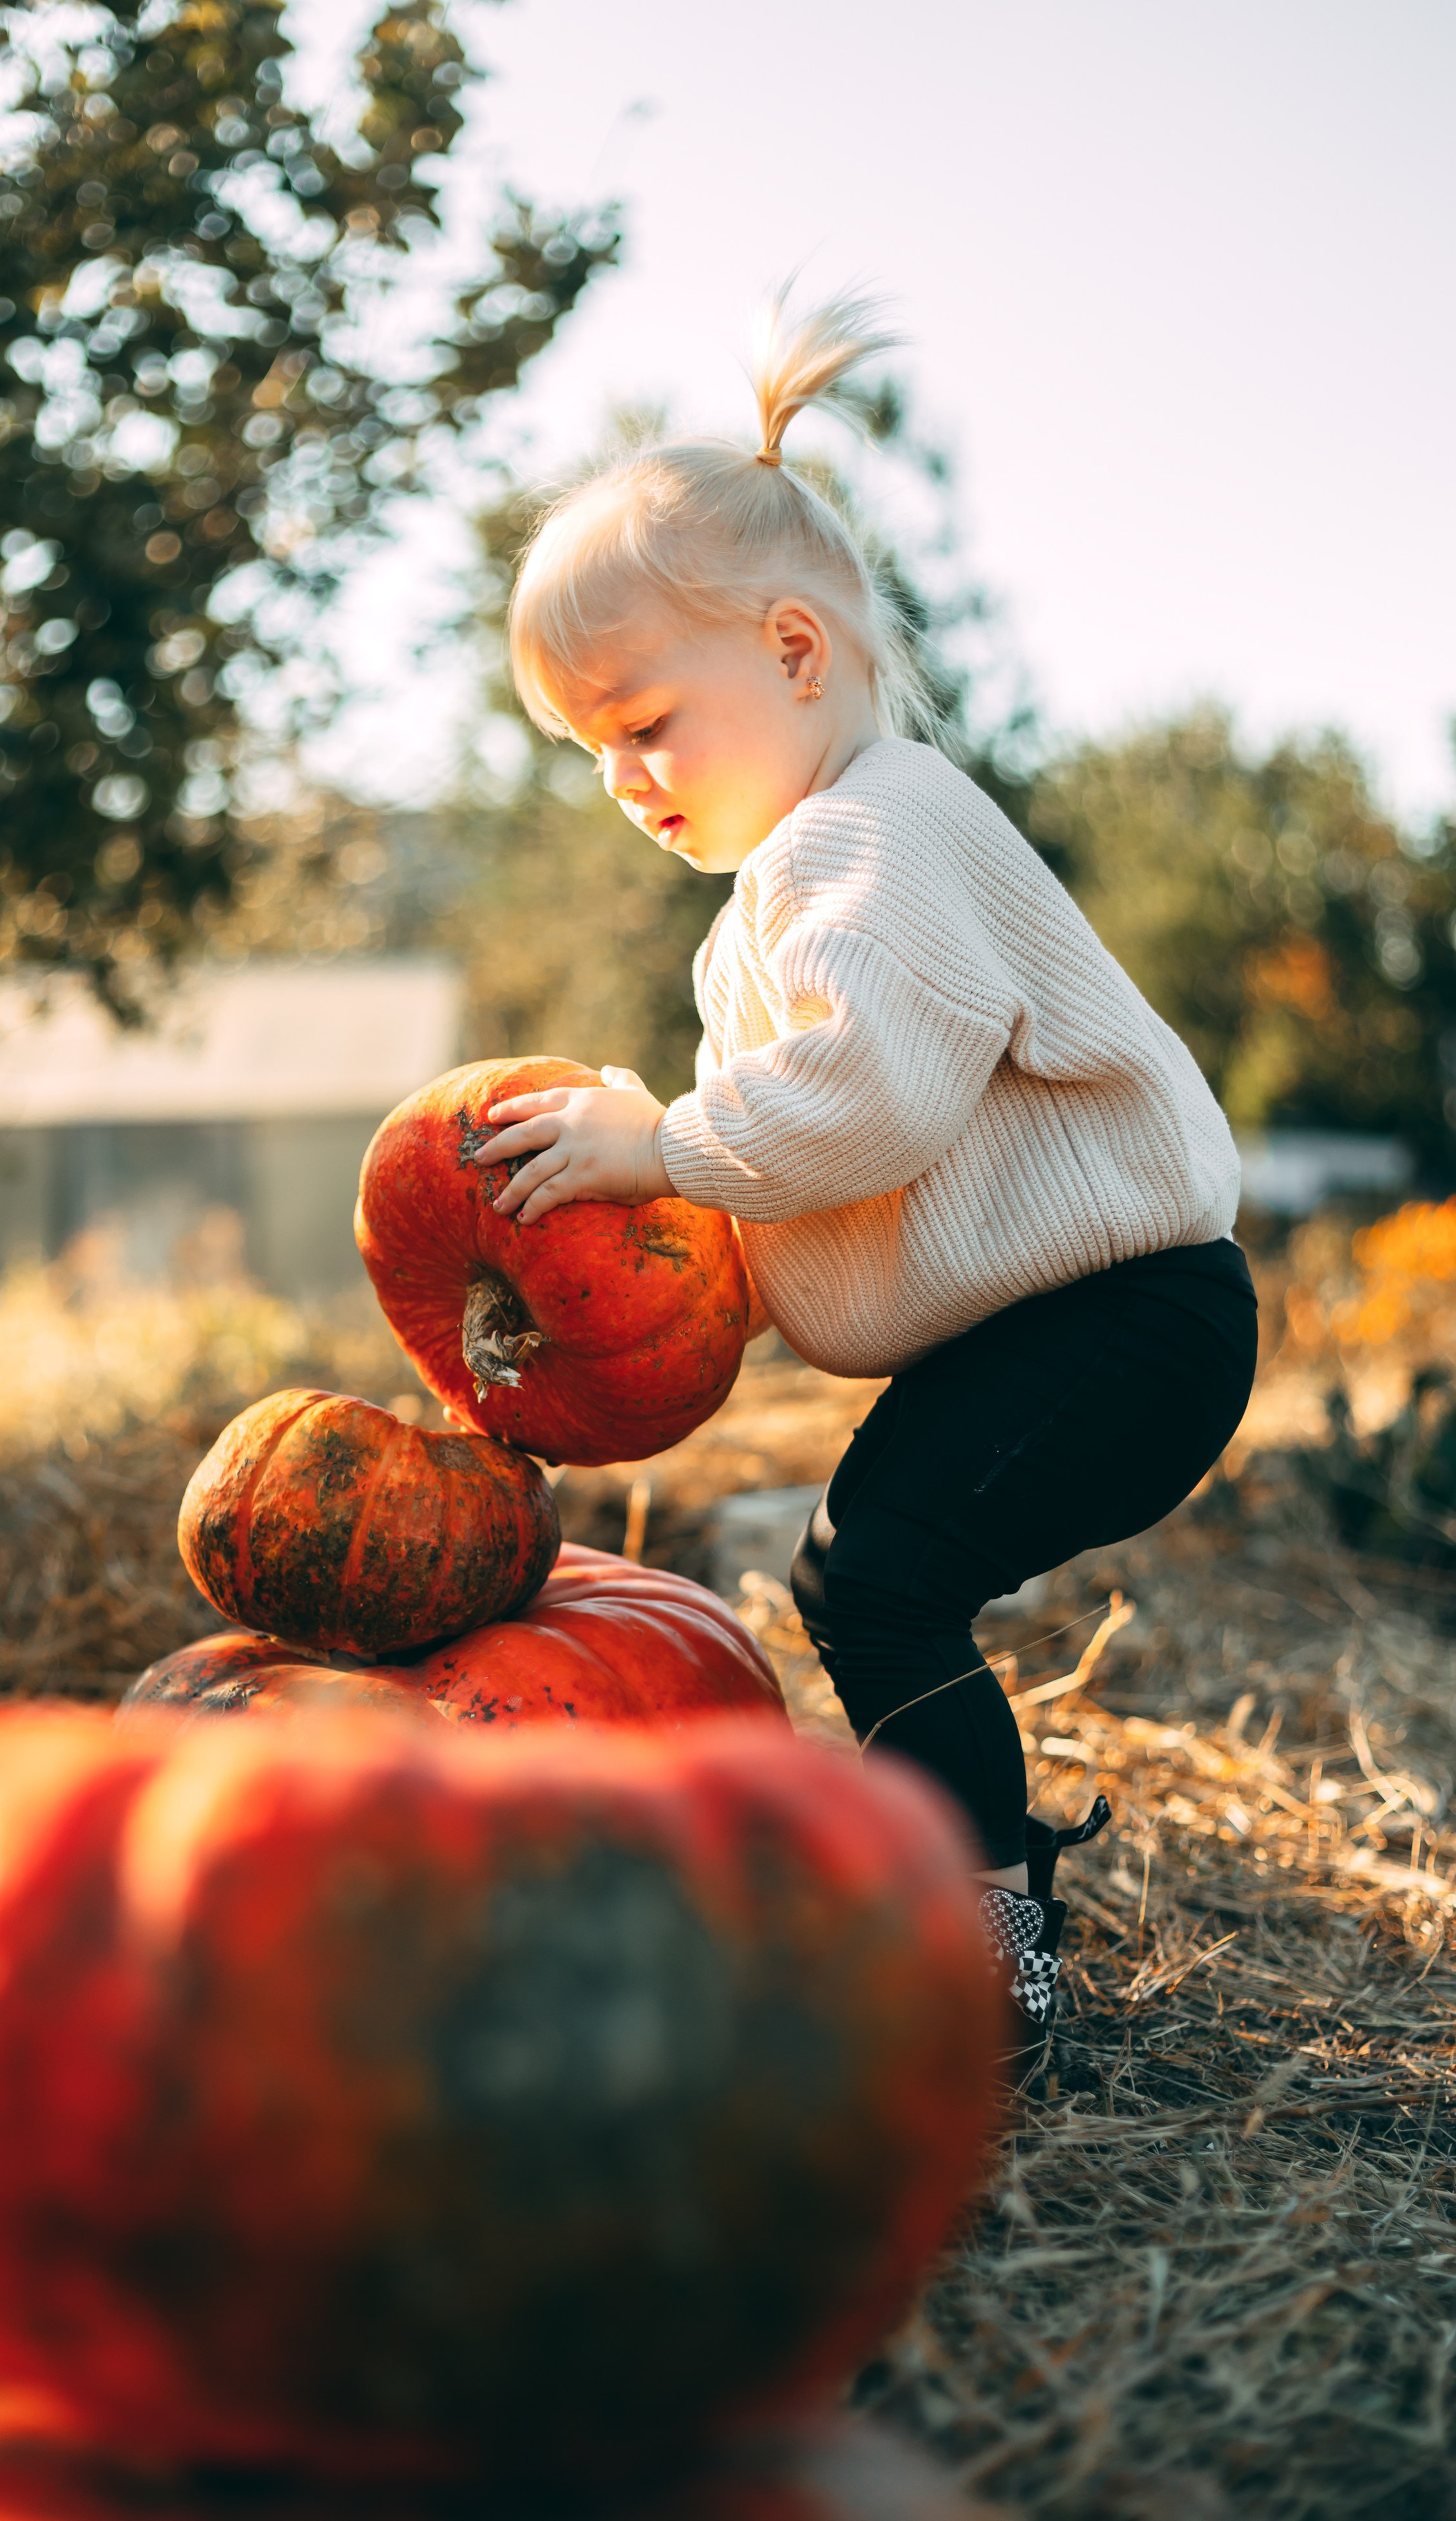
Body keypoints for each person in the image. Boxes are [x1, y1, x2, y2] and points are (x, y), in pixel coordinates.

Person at [469, 289, 1258, 2058]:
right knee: (871, 1575)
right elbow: (813, 1195)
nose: (621, 775)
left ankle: (994, 1949)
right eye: (587, 747)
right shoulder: (786, 894)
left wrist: (661, 1141)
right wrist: (618, 1300)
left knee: (872, 1578)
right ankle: (964, 1910)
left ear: (798, 654)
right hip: (1056, 1323)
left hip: (1129, 1318)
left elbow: (868, 1105)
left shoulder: (877, 832)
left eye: (647, 719)